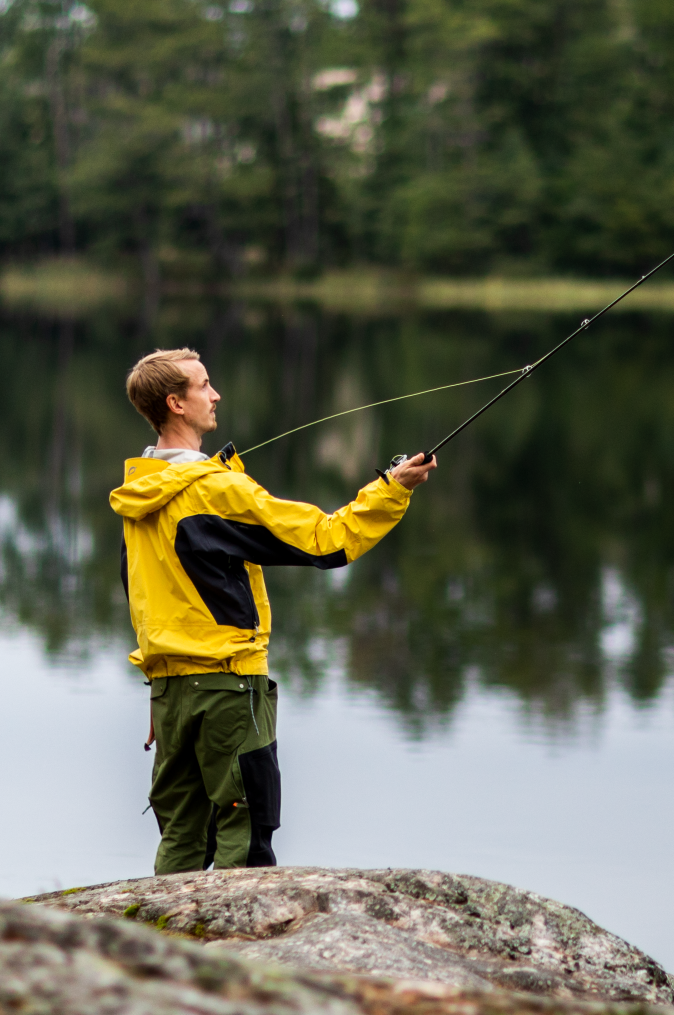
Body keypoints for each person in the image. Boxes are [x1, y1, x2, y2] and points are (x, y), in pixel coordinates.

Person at [111, 347, 434, 874]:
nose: (215, 395)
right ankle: (239, 958)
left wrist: (160, 679)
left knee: (183, 837)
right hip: (228, 691)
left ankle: (163, 951)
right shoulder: (215, 489)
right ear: (176, 403)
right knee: (248, 834)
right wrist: (391, 491)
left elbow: (141, 595)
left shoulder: (138, 490)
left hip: (171, 694)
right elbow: (325, 541)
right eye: (203, 386)